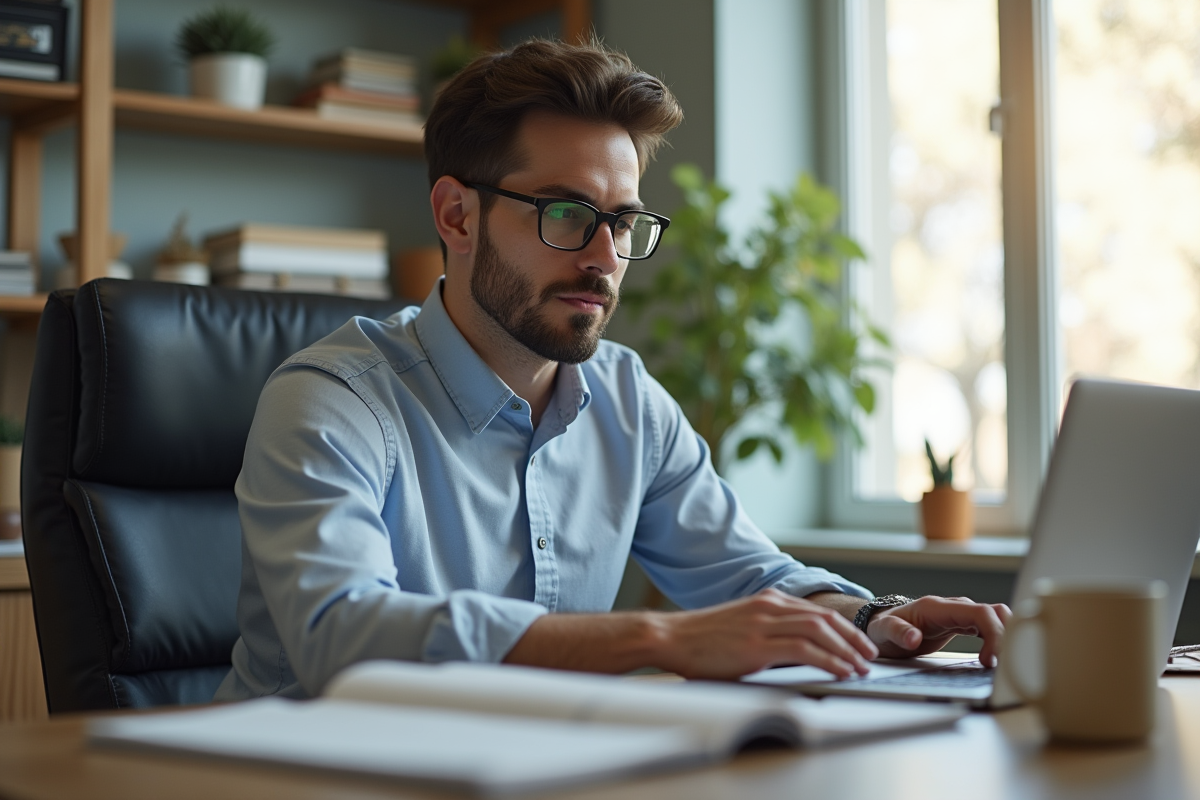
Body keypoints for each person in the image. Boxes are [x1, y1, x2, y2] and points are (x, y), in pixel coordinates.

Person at [215, 38, 1010, 702]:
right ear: (458, 215)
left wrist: (878, 618)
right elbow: (343, 636)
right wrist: (662, 638)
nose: (605, 259)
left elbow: (746, 576)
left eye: (623, 222)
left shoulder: (626, 400)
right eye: (567, 214)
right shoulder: (330, 401)